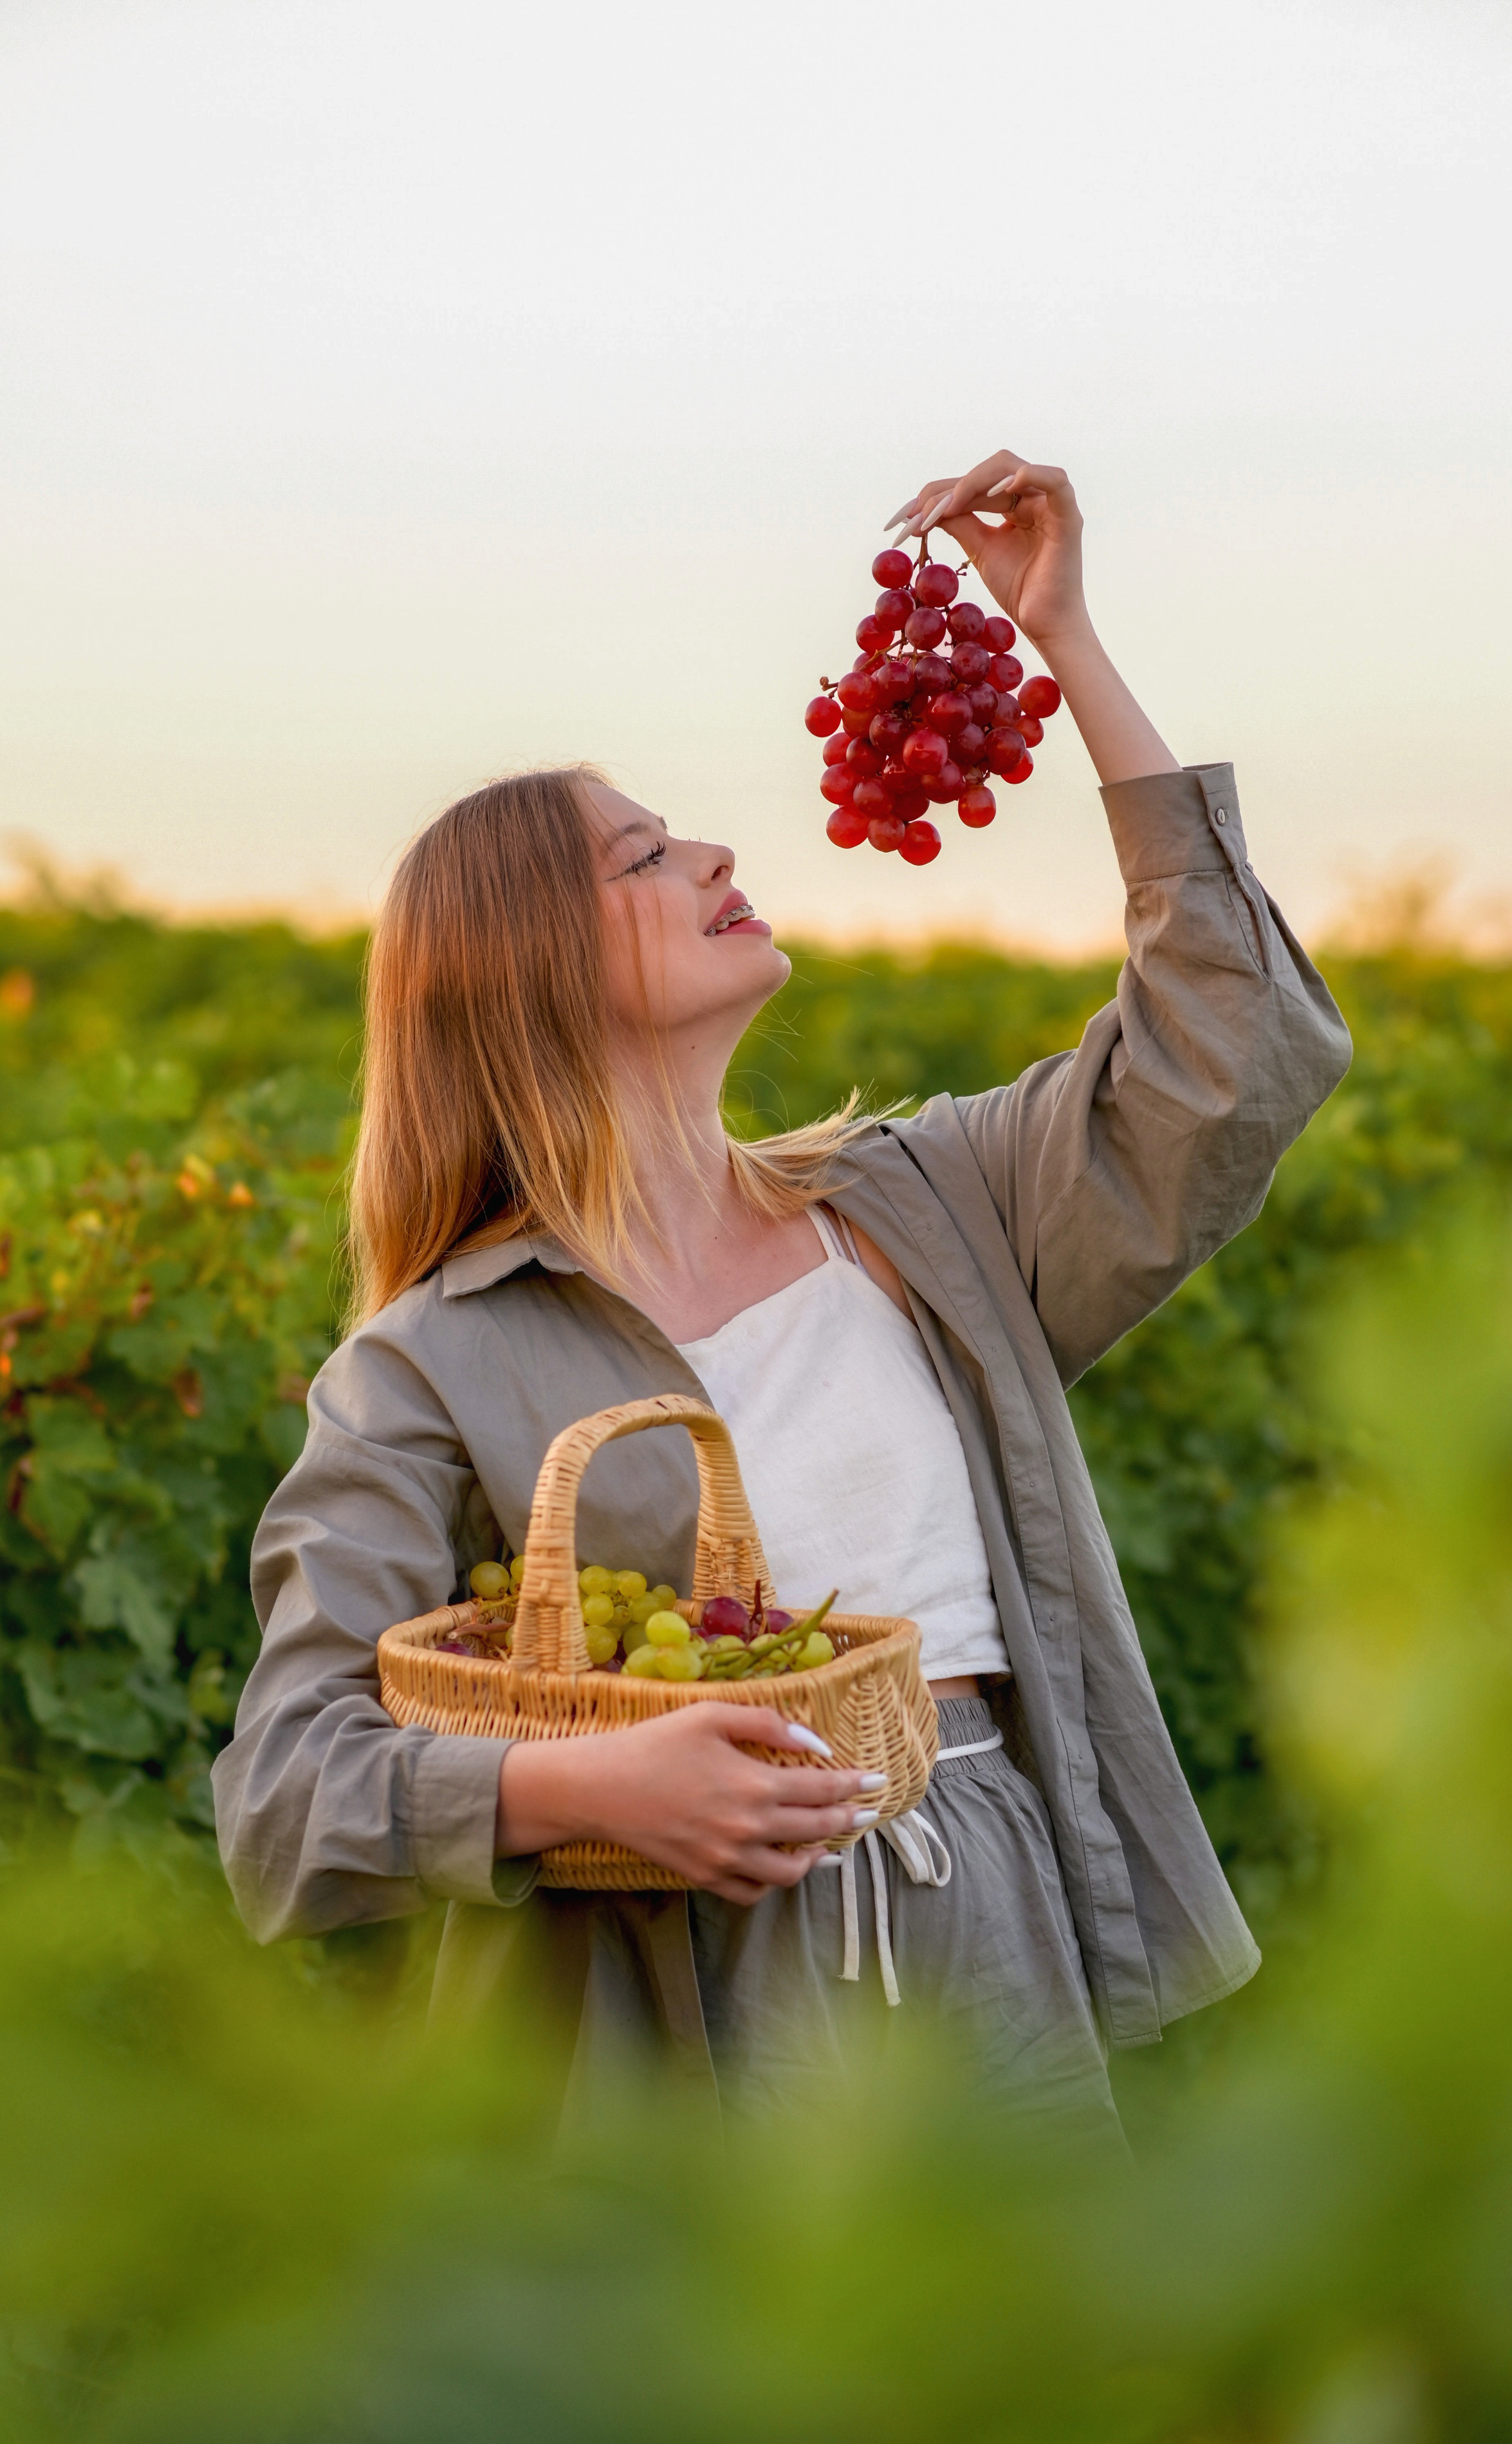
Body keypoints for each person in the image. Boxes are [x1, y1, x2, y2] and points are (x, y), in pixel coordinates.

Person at [214, 450, 1351, 2135]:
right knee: (752, 2405)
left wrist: (1068, 646)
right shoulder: (428, 1363)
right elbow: (284, 1803)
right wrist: (577, 1786)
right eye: (641, 858)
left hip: (995, 1921)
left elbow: (1237, 1050)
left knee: (1039, 2396)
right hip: (675, 2010)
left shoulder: (926, 1204)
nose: (714, 851)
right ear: (523, 969)